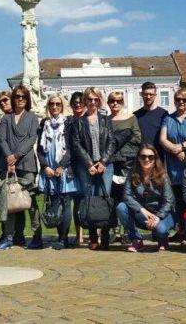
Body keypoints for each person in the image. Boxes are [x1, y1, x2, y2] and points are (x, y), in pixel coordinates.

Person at [0, 85, 40, 250]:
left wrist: (16, 156)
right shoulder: (6, 119)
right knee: (9, 200)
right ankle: (8, 236)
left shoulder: (32, 117)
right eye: (17, 96)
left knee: (30, 200)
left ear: (27, 99)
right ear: (13, 99)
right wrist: (9, 157)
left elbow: (31, 139)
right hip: (8, 163)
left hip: (26, 162)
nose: (20, 99)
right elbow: (2, 140)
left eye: (23, 97)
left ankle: (36, 235)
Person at [72, 87, 116, 250]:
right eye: (89, 99)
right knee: (89, 199)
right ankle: (92, 237)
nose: (92, 102)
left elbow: (112, 142)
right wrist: (89, 164)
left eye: (95, 99)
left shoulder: (106, 120)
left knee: (104, 198)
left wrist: (103, 162)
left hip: (105, 165)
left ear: (99, 101)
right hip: (86, 166)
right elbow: (76, 144)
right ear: (85, 101)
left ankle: (104, 236)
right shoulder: (79, 122)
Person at [159, 88, 186, 241]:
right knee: (177, 200)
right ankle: (181, 230)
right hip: (174, 165)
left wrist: (182, 146)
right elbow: (162, 139)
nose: (181, 102)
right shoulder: (168, 119)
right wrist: (177, 151)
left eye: (184, 100)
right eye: (178, 100)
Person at [116, 144, 175, 252]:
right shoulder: (133, 174)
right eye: (143, 156)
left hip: (162, 214)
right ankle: (136, 240)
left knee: (160, 230)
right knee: (121, 207)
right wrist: (142, 210)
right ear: (138, 158)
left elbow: (169, 201)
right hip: (143, 215)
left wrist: (158, 217)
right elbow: (126, 196)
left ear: (155, 158)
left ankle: (162, 238)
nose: (146, 159)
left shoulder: (163, 175)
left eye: (150, 157)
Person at [37, 94, 75, 249]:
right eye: (51, 104)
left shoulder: (68, 123)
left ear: (62, 106)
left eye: (58, 104)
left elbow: (71, 147)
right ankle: (59, 235)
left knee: (65, 203)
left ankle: (64, 238)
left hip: (63, 169)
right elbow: (40, 149)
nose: (54, 107)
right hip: (49, 169)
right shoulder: (44, 123)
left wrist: (62, 166)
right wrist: (45, 166)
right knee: (53, 203)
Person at [66, 91, 86, 245]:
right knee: (77, 201)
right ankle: (79, 235)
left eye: (80, 102)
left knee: (93, 200)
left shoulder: (89, 120)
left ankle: (95, 233)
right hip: (73, 165)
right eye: (75, 102)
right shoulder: (69, 122)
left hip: (88, 165)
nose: (78, 104)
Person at [108, 91, 142, 176]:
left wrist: (122, 137)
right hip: (111, 159)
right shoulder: (105, 120)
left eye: (118, 101)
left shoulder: (131, 118)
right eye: (112, 101)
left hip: (128, 159)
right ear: (108, 103)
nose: (115, 103)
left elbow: (138, 138)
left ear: (122, 103)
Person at [134, 82, 168, 159]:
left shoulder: (164, 114)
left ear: (155, 95)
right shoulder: (136, 115)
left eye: (151, 94)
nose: (148, 97)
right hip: (142, 158)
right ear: (141, 94)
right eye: (146, 94)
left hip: (159, 158)